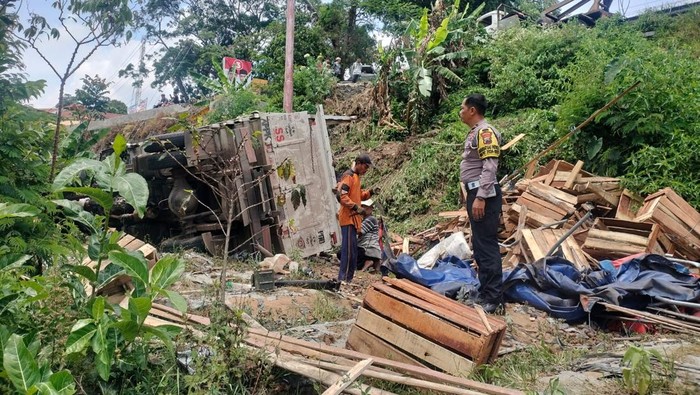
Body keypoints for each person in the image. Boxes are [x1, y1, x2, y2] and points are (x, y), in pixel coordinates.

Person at [459, 93, 503, 314]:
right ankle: (486, 292)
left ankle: (494, 298)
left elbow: (490, 166)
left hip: (483, 194)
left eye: (462, 108)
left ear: (472, 110)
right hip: (475, 192)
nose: (461, 112)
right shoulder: (476, 133)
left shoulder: (485, 132)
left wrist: (481, 197)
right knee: (480, 245)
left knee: (486, 245)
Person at [336, 154, 376, 284]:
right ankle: (343, 279)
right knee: (347, 252)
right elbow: (342, 197)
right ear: (358, 163)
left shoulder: (356, 178)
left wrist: (371, 192)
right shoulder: (349, 176)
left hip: (354, 220)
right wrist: (355, 208)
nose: (366, 170)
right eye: (365, 167)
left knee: (353, 252)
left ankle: (348, 278)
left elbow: (359, 196)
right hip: (348, 219)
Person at [357, 199, 381, 272]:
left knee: (342, 254)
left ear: (371, 208)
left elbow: (360, 232)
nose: (364, 209)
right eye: (363, 206)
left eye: (367, 207)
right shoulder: (365, 219)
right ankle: (372, 262)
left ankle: (367, 262)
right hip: (369, 249)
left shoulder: (370, 219)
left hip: (368, 249)